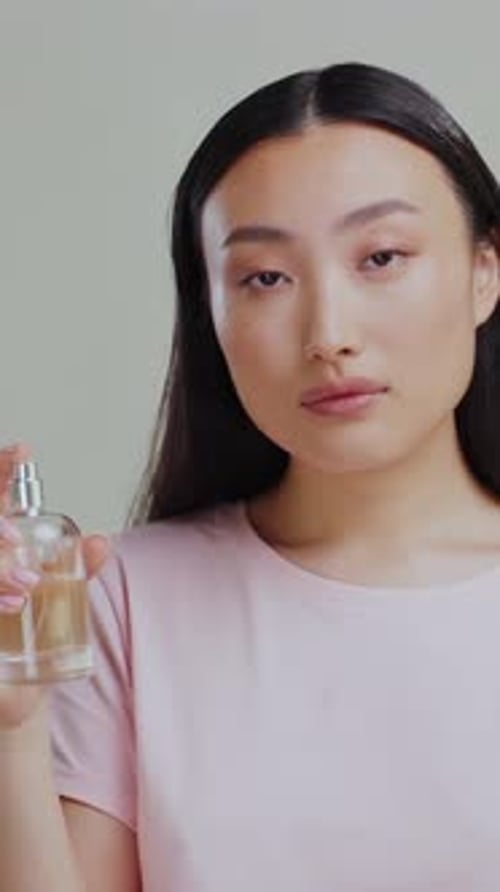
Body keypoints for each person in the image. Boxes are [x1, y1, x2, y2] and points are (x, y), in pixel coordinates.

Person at [1, 59, 500, 892]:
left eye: (381, 256)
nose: (328, 332)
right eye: (265, 278)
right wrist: (12, 734)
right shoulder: (124, 599)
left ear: (486, 271)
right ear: (211, 312)